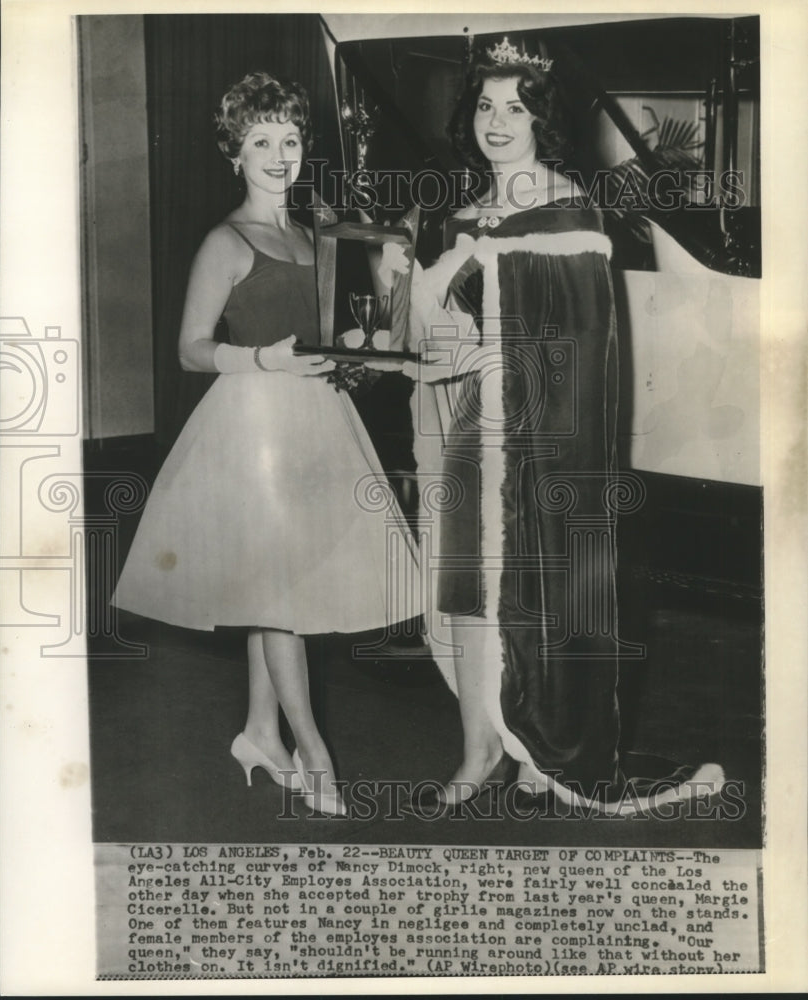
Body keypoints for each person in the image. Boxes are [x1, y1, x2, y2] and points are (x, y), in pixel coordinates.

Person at [401, 39, 724, 815]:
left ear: (542, 118)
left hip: (543, 443)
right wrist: (415, 323)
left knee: (542, 593)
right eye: (484, 105)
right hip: (477, 430)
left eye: (515, 106)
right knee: (472, 597)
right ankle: (480, 749)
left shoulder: (570, 210)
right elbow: (447, 344)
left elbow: (582, 345)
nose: (496, 121)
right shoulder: (462, 214)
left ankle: (544, 757)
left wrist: (483, 279)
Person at [112, 71, 420, 816]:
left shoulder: (315, 234)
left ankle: (258, 732)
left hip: (315, 419)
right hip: (251, 425)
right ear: (235, 153)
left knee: (272, 584)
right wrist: (264, 360)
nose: (278, 155)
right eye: (260, 142)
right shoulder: (227, 239)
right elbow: (189, 349)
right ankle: (313, 750)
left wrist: (391, 288)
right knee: (281, 593)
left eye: (289, 139)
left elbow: (350, 339)